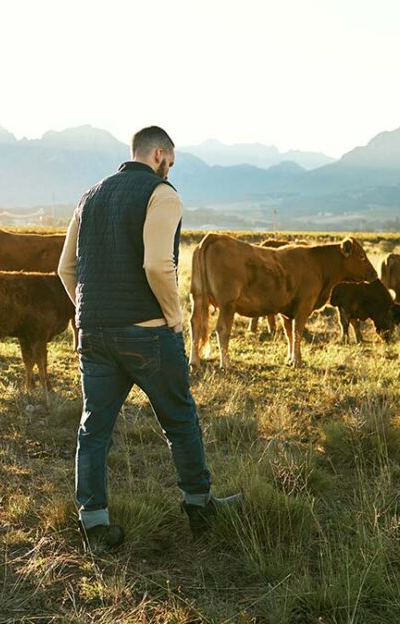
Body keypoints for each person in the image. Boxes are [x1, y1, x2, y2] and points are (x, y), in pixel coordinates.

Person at [58, 126, 241, 552]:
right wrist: (175, 317)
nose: (169, 170)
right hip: (148, 334)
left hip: (95, 335)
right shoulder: (163, 195)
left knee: (94, 429)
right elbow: (158, 265)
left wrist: (90, 311)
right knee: (180, 422)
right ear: (159, 154)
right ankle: (200, 508)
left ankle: (95, 523)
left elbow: (67, 269)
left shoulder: (89, 197)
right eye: (170, 163)